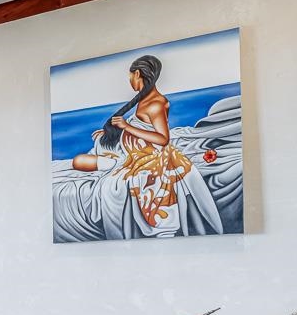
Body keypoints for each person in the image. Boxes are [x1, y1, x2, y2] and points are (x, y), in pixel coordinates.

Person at [69, 54, 220, 239]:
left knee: (82, 164)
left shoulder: (155, 104)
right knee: (80, 160)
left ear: (137, 74)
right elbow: (145, 127)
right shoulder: (145, 100)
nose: (130, 82)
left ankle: (112, 163)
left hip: (144, 158)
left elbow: (163, 139)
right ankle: (110, 159)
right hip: (129, 151)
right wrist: (112, 133)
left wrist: (126, 127)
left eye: (130, 77)